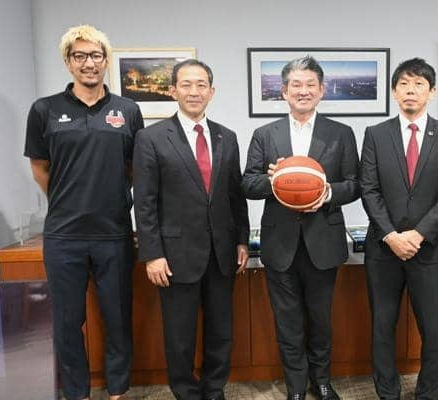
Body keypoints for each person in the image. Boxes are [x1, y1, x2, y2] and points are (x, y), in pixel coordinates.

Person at [24, 25, 144, 400]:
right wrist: (67, 199)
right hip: (64, 236)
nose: (88, 63)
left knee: (118, 318)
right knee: (66, 322)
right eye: (80, 56)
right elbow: (40, 167)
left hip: (114, 233)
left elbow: (133, 168)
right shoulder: (44, 109)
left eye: (95, 55)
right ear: (68, 61)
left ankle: (118, 390)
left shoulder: (128, 110)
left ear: (106, 60)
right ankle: (78, 393)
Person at [242, 56, 360, 400]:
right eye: (296, 84)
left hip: (323, 239)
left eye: (310, 84)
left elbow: (355, 184)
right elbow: (247, 183)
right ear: (284, 91)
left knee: (321, 320)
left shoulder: (341, 134)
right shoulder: (265, 135)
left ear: (322, 90)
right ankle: (295, 387)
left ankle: (321, 382)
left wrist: (326, 193)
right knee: (288, 322)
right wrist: (276, 180)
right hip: (280, 243)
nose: (303, 91)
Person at [133, 59, 249, 400]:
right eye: (186, 84)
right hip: (174, 255)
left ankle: (214, 390)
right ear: (173, 91)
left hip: (222, 254)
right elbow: (144, 202)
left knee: (221, 332)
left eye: (201, 85)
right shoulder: (151, 138)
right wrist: (152, 254)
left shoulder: (227, 137)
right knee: (179, 335)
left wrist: (242, 241)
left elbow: (235, 196)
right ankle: (185, 392)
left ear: (212, 91)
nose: (194, 91)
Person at [360, 58, 438, 400]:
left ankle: (427, 394)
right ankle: (387, 394)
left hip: (429, 249)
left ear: (431, 91)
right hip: (383, 249)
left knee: (433, 329)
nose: (411, 90)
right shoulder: (376, 135)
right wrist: (391, 235)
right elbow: (369, 189)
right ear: (394, 91)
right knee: (382, 327)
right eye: (404, 84)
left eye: (419, 84)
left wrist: (418, 235)